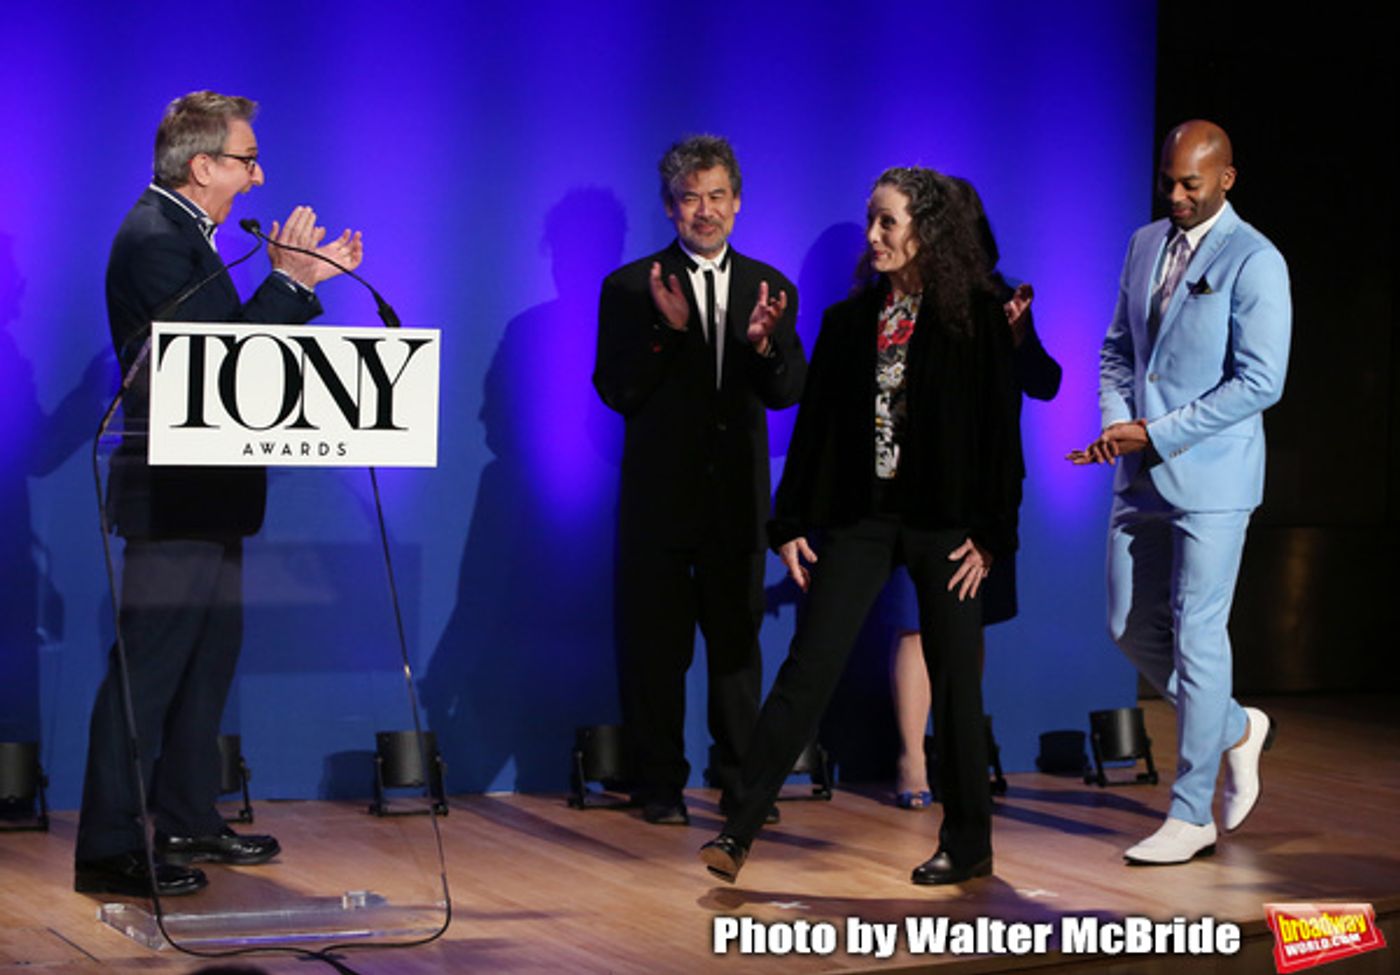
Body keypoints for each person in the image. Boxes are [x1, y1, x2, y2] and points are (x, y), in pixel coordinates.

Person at [76, 90, 363, 897]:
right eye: (245, 159)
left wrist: (296, 286)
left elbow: (232, 362)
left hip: (210, 493)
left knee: (205, 666)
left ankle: (187, 815)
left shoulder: (188, 234)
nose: (257, 173)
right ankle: (106, 845)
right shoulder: (153, 238)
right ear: (203, 166)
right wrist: (291, 284)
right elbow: (217, 362)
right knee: (150, 672)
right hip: (171, 496)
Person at [699, 166, 1020, 886]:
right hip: (862, 518)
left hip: (947, 525)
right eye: (871, 220)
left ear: (926, 231)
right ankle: (738, 830)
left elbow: (1003, 435)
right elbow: (813, 434)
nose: (873, 236)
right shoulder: (849, 323)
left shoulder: (973, 315)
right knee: (807, 668)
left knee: (957, 688)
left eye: (888, 222)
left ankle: (968, 843)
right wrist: (787, 522)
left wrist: (995, 533)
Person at [1068, 119, 1289, 865]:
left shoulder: (1256, 260)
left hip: (1214, 478)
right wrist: (1115, 422)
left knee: (1199, 633)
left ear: (1226, 179)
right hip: (1138, 471)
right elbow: (1117, 350)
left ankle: (1192, 812)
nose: (1175, 194)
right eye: (1168, 179)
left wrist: (1158, 432)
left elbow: (1261, 381)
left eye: (1190, 183)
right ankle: (1233, 726)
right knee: (1129, 625)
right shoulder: (1143, 243)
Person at [594, 135, 805, 825]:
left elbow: (787, 391)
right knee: (656, 652)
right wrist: (669, 333)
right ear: (669, 208)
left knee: (737, 651)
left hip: (737, 506)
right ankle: (659, 785)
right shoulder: (630, 288)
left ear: (738, 203)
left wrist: (766, 343)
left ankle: (743, 783)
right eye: (691, 198)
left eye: (718, 197)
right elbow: (617, 390)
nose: (705, 211)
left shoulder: (771, 288)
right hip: (659, 505)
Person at [889, 178, 1061, 809]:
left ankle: (955, 751)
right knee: (914, 625)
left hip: (983, 489)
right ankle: (912, 759)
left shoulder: (997, 296)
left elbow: (1044, 383)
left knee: (969, 620)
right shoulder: (900, 295)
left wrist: (1018, 336)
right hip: (914, 486)